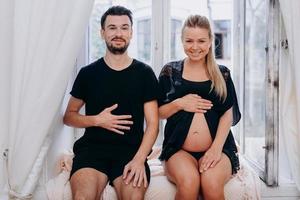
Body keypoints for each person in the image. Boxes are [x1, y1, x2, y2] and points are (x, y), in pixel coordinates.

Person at [63, 6, 159, 200]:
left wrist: (140, 159)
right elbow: (69, 116)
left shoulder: (144, 74)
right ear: (102, 33)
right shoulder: (88, 74)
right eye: (112, 28)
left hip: (131, 153)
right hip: (92, 152)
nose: (118, 33)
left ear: (131, 33)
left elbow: (153, 125)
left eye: (124, 28)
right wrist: (97, 120)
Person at [158, 15, 241, 200]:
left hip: (218, 147)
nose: (195, 47)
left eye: (201, 41)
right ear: (182, 41)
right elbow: (157, 113)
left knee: (211, 183)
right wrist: (180, 103)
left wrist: (215, 149)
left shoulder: (222, 73)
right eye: (189, 41)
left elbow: (228, 114)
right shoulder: (170, 71)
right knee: (189, 183)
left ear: (211, 41)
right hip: (179, 150)